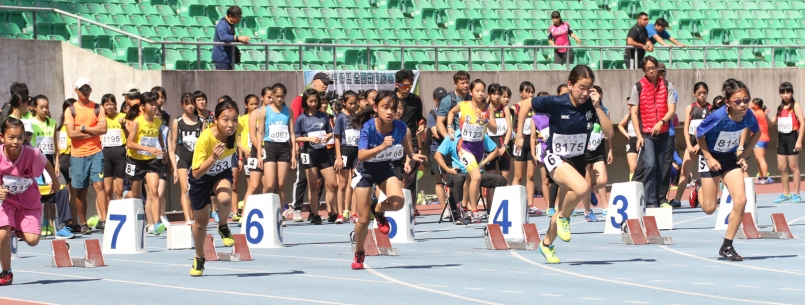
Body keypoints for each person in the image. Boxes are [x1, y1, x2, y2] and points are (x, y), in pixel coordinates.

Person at [515, 65, 613, 264]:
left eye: (589, 88)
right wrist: (519, 135)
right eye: (581, 88)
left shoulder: (592, 107)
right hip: (555, 158)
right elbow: (525, 104)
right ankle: (564, 219)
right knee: (582, 187)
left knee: (562, 209)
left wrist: (597, 107)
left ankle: (547, 244)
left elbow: (609, 133)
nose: (585, 93)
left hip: (577, 160)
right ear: (570, 85)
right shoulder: (556, 102)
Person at [349, 90, 426, 269]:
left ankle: (378, 208)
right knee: (363, 220)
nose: (390, 112)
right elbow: (361, 155)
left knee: (399, 202)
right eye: (385, 108)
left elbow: (406, 136)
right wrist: (382, 146)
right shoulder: (368, 127)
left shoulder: (399, 127)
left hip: (384, 169)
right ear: (375, 108)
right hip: (365, 171)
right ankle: (359, 252)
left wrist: (411, 154)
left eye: (393, 108)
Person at [695, 78, 761, 261]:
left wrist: (744, 153)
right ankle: (698, 188)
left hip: (729, 158)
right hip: (710, 156)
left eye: (746, 100)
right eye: (738, 101)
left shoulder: (749, 116)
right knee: (709, 208)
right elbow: (699, 133)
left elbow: (758, 133)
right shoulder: (718, 117)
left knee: (741, 200)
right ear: (728, 103)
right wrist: (708, 157)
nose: (743, 105)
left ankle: (727, 245)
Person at [0, 117, 58, 285]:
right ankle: (6, 272)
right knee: (2, 234)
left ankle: (17, 229)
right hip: (6, 200)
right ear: (2, 137)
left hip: (28, 199)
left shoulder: (32, 153)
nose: (16, 141)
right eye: (11, 137)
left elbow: (46, 163)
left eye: (20, 137)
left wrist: (54, 180)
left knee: (33, 241)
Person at [188, 100, 240, 276]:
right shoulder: (205, 138)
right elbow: (196, 173)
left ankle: (223, 225)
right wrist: (213, 158)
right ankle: (199, 257)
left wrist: (246, 150)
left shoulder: (236, 130)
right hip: (201, 177)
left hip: (221, 173)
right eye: (225, 120)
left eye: (234, 119)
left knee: (226, 198)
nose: (230, 124)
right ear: (216, 119)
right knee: (200, 223)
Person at [446, 79, 497, 223]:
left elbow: (494, 129)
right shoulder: (464, 105)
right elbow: (451, 112)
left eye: (483, 91)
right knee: (476, 177)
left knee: (469, 180)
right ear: (471, 92)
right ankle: (474, 210)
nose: (481, 94)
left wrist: (485, 120)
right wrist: (449, 126)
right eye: (477, 91)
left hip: (479, 149)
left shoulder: (488, 109)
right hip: (465, 148)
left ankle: (464, 208)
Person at [434, 121, 506, 223]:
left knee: (501, 180)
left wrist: (482, 163)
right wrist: (448, 169)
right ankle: (460, 213)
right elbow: (437, 155)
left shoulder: (479, 134)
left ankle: (499, 212)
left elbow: (495, 150)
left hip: (477, 171)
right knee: (460, 179)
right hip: (460, 171)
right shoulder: (453, 136)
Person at [628, 56, 676, 208]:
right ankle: (650, 201)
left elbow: (672, 109)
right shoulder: (638, 87)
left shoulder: (667, 85)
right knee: (650, 164)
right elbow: (634, 114)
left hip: (663, 132)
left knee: (661, 168)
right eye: (647, 68)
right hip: (647, 134)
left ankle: (659, 199)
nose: (651, 71)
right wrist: (638, 135)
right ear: (644, 70)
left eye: (653, 67)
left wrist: (661, 122)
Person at [64, 78, 108, 235]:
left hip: (96, 152)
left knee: (99, 185)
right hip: (78, 155)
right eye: (82, 89)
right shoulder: (71, 110)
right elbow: (71, 133)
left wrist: (82, 128)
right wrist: (92, 130)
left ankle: (104, 220)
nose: (85, 91)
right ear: (76, 90)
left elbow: (103, 129)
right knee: (81, 190)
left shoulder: (97, 108)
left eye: (87, 88)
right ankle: (83, 223)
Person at [291, 73, 332, 222]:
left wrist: (328, 136)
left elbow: (330, 131)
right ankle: (303, 210)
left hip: (322, 150)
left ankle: (332, 211)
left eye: (316, 101)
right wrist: (304, 142)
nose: (314, 103)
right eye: (311, 101)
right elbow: (295, 133)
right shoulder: (301, 111)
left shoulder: (323, 115)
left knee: (330, 183)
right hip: (307, 150)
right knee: (307, 181)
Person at [125, 92, 167, 235]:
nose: (155, 106)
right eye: (151, 104)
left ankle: (156, 223)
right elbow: (130, 143)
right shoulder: (137, 122)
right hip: (135, 160)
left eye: (156, 104)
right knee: (137, 197)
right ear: (143, 107)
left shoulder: (158, 122)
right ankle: (137, 221)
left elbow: (159, 136)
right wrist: (149, 149)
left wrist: (164, 151)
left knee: (153, 191)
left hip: (151, 160)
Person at [169, 93, 204, 225]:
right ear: (182, 105)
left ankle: (195, 216)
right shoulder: (177, 121)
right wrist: (173, 165)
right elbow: (173, 144)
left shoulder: (201, 121)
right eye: (187, 103)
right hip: (182, 157)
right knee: (184, 188)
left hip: (197, 159)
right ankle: (187, 219)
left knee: (196, 188)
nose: (190, 106)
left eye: (191, 103)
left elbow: (203, 142)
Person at [674, 82, 711, 207]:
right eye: (699, 93)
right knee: (685, 171)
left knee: (707, 172)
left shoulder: (710, 109)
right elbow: (685, 128)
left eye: (704, 93)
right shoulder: (690, 108)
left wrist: (699, 146)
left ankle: (711, 197)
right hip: (692, 142)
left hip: (705, 143)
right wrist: (689, 145)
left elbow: (710, 129)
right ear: (694, 93)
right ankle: (677, 199)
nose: (702, 95)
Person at [395, 70, 425, 217]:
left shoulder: (416, 100)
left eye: (409, 86)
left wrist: (421, 125)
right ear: (397, 85)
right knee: (397, 176)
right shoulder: (390, 99)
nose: (407, 89)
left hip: (411, 141)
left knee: (411, 176)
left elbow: (420, 118)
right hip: (393, 142)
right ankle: (395, 205)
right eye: (404, 86)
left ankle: (411, 207)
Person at [580, 86, 611, 221]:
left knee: (602, 180)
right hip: (583, 150)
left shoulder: (604, 110)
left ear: (600, 95)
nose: (591, 95)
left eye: (595, 93)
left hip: (598, 149)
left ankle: (593, 190)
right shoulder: (582, 108)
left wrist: (610, 149)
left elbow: (609, 133)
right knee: (585, 183)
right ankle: (587, 211)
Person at [770, 82, 804, 203]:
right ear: (780, 94)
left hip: (792, 137)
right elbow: (771, 123)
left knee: (793, 166)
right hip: (781, 138)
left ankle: (797, 193)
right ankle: (786, 193)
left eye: (788, 92)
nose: (785, 95)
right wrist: (764, 116)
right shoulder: (779, 108)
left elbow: (803, 122)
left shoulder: (795, 105)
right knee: (781, 167)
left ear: (792, 93)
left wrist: (799, 140)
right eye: (783, 92)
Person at [99, 94, 127, 231]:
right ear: (103, 106)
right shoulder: (101, 119)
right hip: (105, 155)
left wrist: (124, 127)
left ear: (116, 104)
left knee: (119, 189)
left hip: (120, 154)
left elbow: (129, 134)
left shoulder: (122, 116)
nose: (109, 107)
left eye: (111, 104)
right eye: (106, 104)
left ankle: (120, 217)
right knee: (108, 189)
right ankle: (109, 218)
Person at [509, 82, 537, 214]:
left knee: (530, 176)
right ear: (521, 92)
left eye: (532, 92)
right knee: (518, 175)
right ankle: (515, 203)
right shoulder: (514, 108)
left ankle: (530, 204)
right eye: (527, 92)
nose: (530, 95)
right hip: (519, 144)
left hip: (532, 144)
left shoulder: (534, 108)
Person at [333, 91, 359, 224]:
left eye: (355, 103)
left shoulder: (358, 116)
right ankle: (340, 213)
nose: (353, 106)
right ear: (344, 103)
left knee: (354, 183)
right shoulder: (341, 117)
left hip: (357, 151)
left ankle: (354, 212)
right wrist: (338, 157)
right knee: (342, 184)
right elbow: (336, 137)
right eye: (351, 103)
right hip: (345, 150)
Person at [483, 84, 511, 207]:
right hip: (490, 144)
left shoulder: (505, 109)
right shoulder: (486, 109)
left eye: (498, 94)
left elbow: (509, 129)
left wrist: (505, 145)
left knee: (505, 178)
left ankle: (506, 207)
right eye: (493, 94)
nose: (496, 96)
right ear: (489, 95)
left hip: (503, 142)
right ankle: (490, 209)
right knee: (491, 179)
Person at [427, 87, 450, 220]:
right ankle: (444, 208)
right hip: (437, 150)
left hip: (450, 150)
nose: (442, 101)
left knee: (451, 179)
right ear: (434, 100)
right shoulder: (433, 114)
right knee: (440, 181)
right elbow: (436, 133)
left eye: (444, 98)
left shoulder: (451, 113)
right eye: (439, 99)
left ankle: (452, 206)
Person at [212, 6, 249, 70]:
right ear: (230, 16)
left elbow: (231, 38)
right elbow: (223, 37)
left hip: (228, 57)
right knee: (223, 78)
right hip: (222, 58)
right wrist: (238, 38)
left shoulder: (230, 24)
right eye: (237, 17)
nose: (239, 19)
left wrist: (241, 40)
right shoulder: (222, 24)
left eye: (240, 17)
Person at [749, 98, 773, 184]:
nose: (749, 103)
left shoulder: (757, 113)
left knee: (760, 158)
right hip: (764, 138)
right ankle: (760, 177)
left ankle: (765, 177)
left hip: (759, 139)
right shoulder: (761, 112)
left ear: (755, 105)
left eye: (751, 102)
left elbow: (748, 121)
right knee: (759, 159)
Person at [617, 97, 638, 181]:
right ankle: (632, 185)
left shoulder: (642, 114)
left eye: (631, 104)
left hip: (641, 140)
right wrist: (627, 135)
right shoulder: (628, 116)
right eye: (628, 105)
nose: (629, 106)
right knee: (632, 167)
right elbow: (620, 125)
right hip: (632, 141)